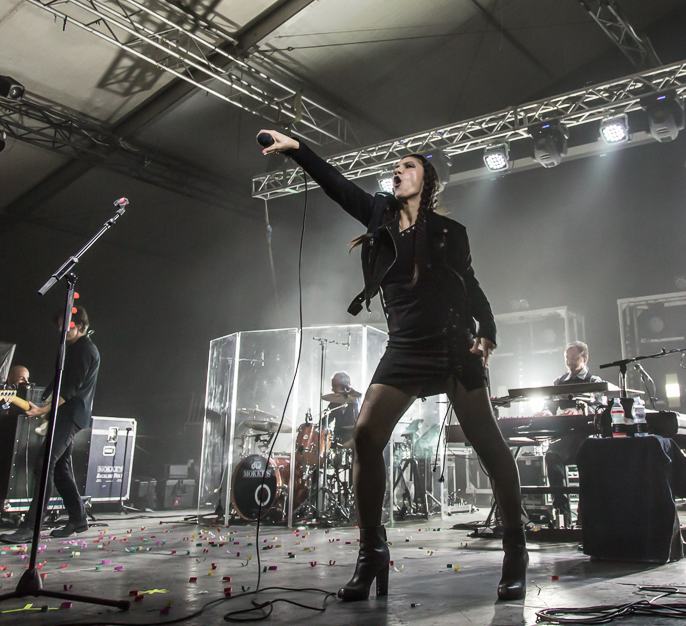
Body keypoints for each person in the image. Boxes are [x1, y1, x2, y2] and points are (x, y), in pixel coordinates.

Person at [257, 129, 527, 601]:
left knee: (489, 445)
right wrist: (298, 149)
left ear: (428, 181)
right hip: (403, 346)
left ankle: (515, 548)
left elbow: (472, 286)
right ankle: (372, 552)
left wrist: (488, 333)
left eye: (409, 166)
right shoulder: (379, 214)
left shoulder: (451, 233)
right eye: (397, 167)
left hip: (450, 344)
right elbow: (336, 185)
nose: (398, 171)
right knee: (365, 435)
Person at [0, 307, 99, 543]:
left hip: (71, 415)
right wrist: (44, 404)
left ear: (81, 325)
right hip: (62, 413)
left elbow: (71, 388)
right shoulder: (70, 348)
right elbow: (59, 381)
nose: (62, 329)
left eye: (68, 324)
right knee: (60, 468)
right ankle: (78, 517)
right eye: (60, 325)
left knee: (45, 463)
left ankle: (31, 526)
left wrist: (44, 409)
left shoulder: (85, 350)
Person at [543, 341, 605, 525]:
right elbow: (549, 403)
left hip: (588, 437)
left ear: (585, 358)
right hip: (566, 437)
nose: (569, 361)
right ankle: (562, 513)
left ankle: (585, 516)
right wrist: (546, 411)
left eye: (574, 358)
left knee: (588, 459)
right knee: (552, 455)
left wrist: (580, 410)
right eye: (567, 358)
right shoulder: (559, 382)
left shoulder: (594, 381)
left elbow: (600, 405)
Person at [325, 371, 359, 448]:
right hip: (338, 439)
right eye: (332, 386)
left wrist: (352, 441)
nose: (332, 390)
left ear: (345, 386)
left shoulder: (355, 402)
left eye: (335, 386)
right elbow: (326, 421)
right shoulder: (334, 403)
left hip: (353, 440)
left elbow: (362, 425)